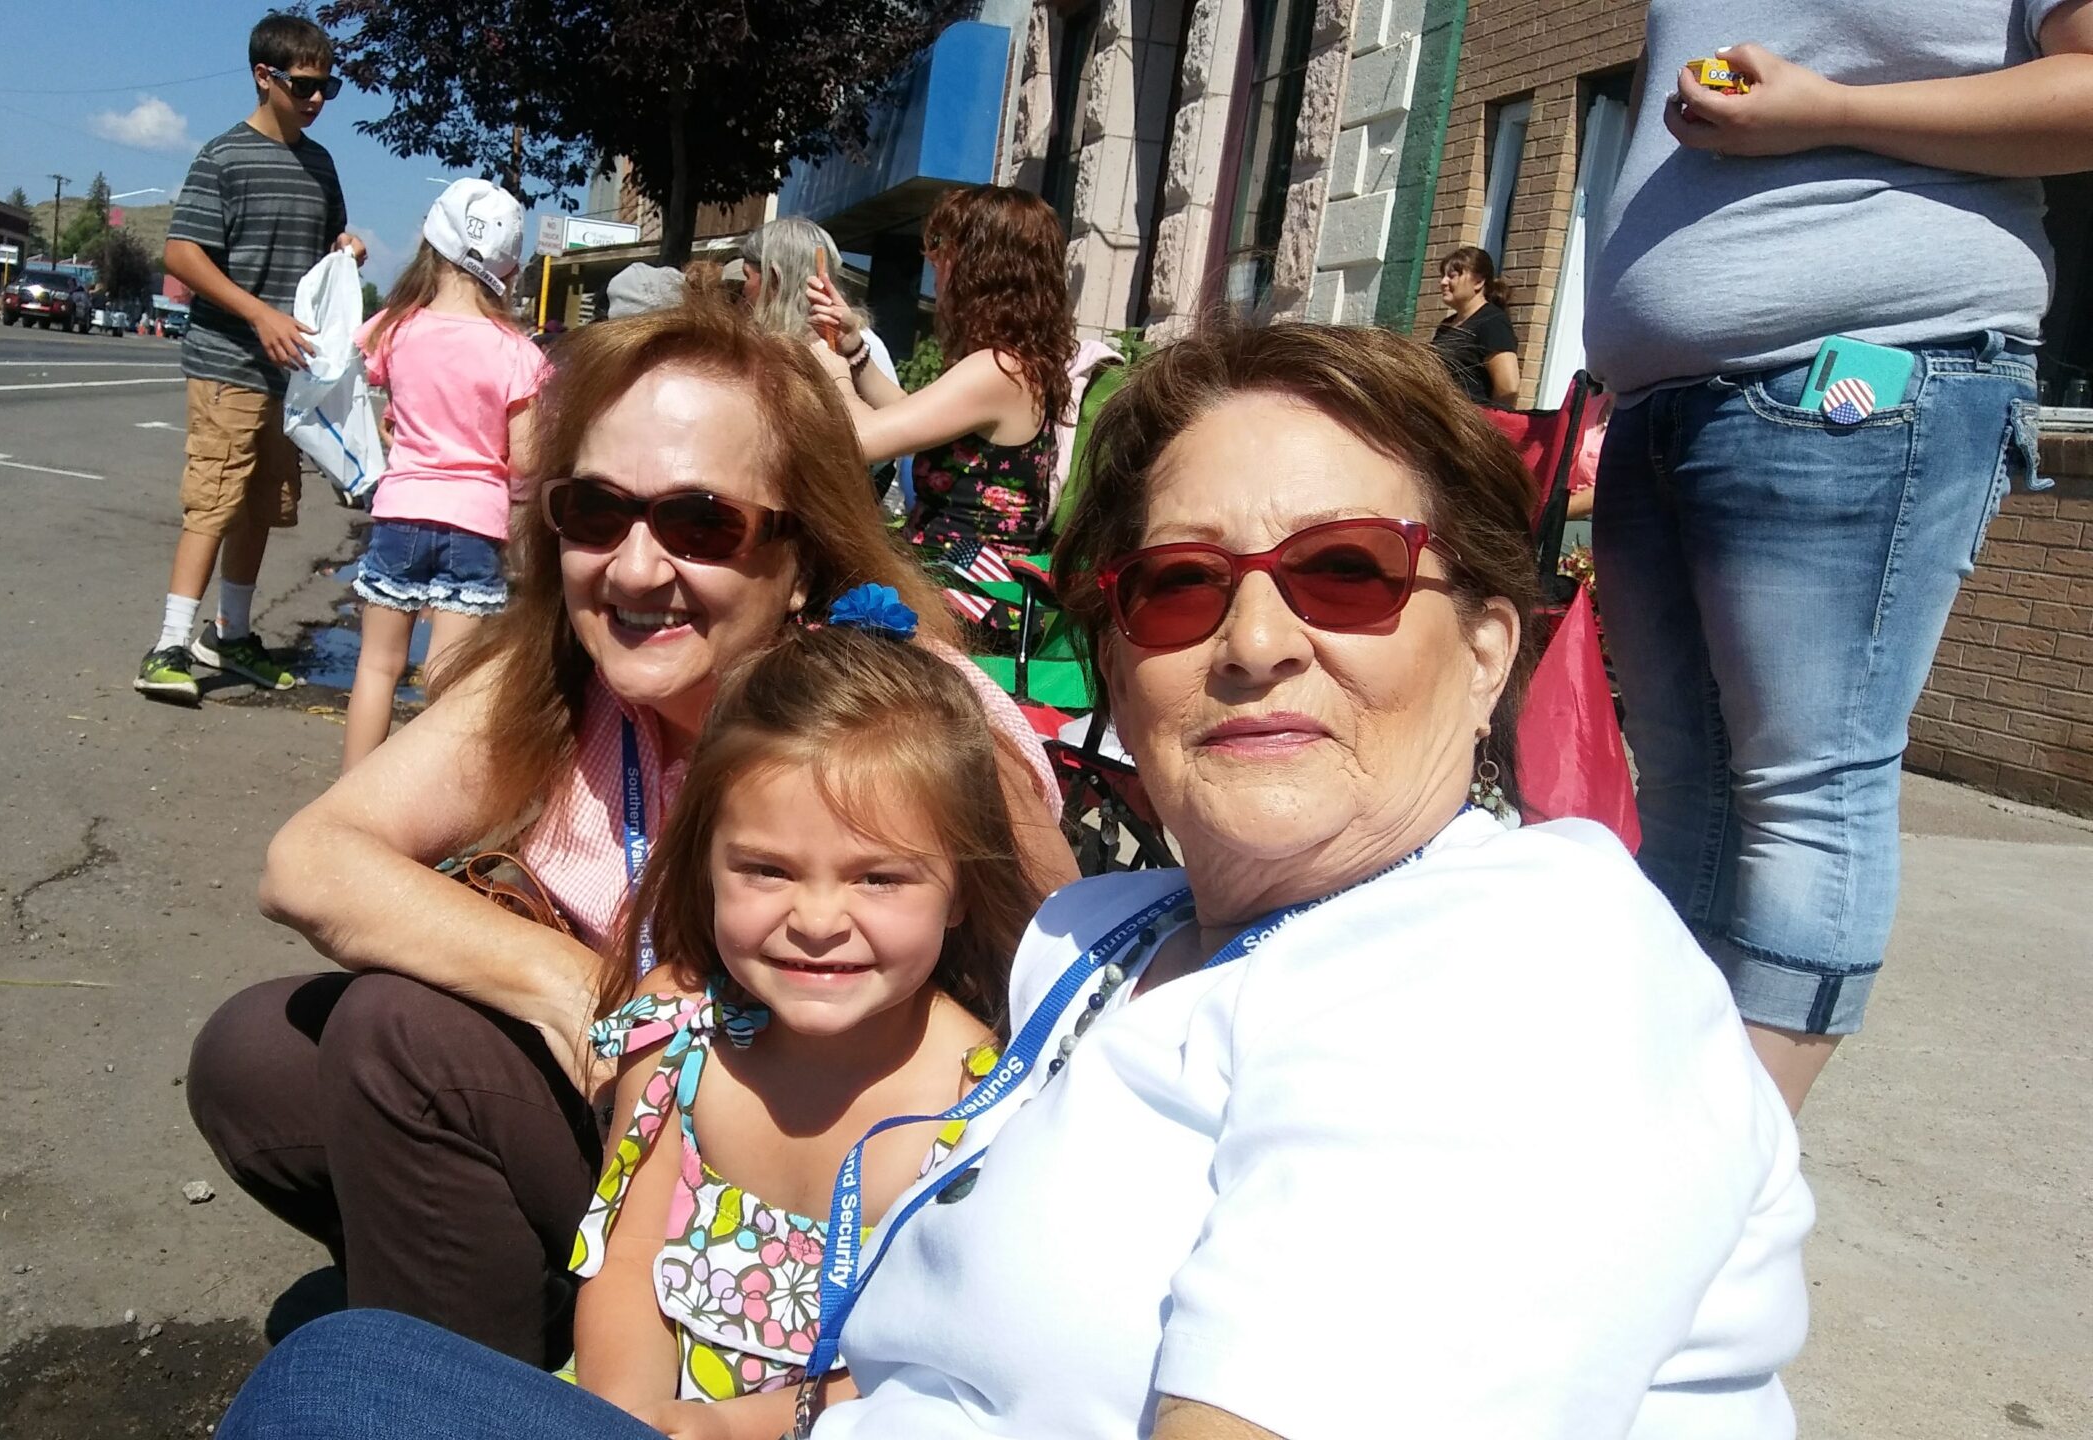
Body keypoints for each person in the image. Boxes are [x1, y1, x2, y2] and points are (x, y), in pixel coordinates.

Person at [211, 319, 1816, 1440]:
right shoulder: (1118, 939)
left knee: (341, 1379)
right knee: (336, 1284)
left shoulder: (1525, 968)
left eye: (1345, 572)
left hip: (766, 1192)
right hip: (780, 1346)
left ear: (1488, 649)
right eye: (1180, 587)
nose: (1258, 642)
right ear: (1115, 654)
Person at [186, 299, 1078, 1371]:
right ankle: (502, 1324)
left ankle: (469, 1381)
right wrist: (583, 994)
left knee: (396, 1037)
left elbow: (1063, 1006)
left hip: (830, 1186)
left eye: (701, 523)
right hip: (639, 1124)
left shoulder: (910, 719)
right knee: (257, 1057)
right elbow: (311, 862)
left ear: (798, 555)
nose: (637, 568)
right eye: (597, 512)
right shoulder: (564, 677)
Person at [1583, 3, 2091, 1112]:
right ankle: (1653, 1136)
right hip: (1660, 395)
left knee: (1806, 785)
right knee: (1683, 793)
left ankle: (1725, 1180)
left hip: (1863, 373)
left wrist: (1827, 113)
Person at [568, 595, 1041, 1439]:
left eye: (878, 878)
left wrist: (728, 1429)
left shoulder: (992, 1104)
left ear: (963, 886)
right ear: (705, 863)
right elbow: (625, 1263)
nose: (818, 921)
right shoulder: (677, 1037)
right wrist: (630, 1422)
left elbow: (952, 1364)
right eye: (767, 869)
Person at [133, 10, 363, 704]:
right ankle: (169, 643)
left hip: (289, 374)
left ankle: (230, 634)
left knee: (262, 504)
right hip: (228, 361)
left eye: (329, 87)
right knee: (215, 496)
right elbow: (180, 253)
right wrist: (257, 312)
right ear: (265, 78)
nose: (317, 99)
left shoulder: (320, 165)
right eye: (304, 86)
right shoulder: (224, 156)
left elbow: (326, 244)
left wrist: (346, 254)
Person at [340, 179, 542, 771]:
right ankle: (427, 813)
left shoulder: (395, 328)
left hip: (400, 512)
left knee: (377, 666)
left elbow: (392, 408)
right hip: (475, 525)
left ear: (432, 242)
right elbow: (525, 462)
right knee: (447, 682)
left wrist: (399, 421)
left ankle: (350, 793)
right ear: (508, 268)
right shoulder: (516, 352)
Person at [816, 188, 1073, 587]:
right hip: (952, 578)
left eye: (944, 254)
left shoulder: (998, 369)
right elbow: (909, 414)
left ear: (981, 268)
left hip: (966, 596)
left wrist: (830, 367)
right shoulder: (1014, 363)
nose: (936, 270)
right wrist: (852, 348)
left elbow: (863, 439)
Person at [735, 217, 897, 389]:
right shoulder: (769, 346)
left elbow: (893, 411)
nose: (742, 290)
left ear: (774, 278)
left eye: (746, 276)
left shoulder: (856, 346)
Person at [1430, 244, 1521, 408]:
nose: (1443, 282)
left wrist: (1488, 428)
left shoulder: (1492, 322)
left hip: (1469, 424)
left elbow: (1508, 388)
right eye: (1442, 276)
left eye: (1452, 275)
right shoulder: (1446, 326)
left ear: (1478, 281)